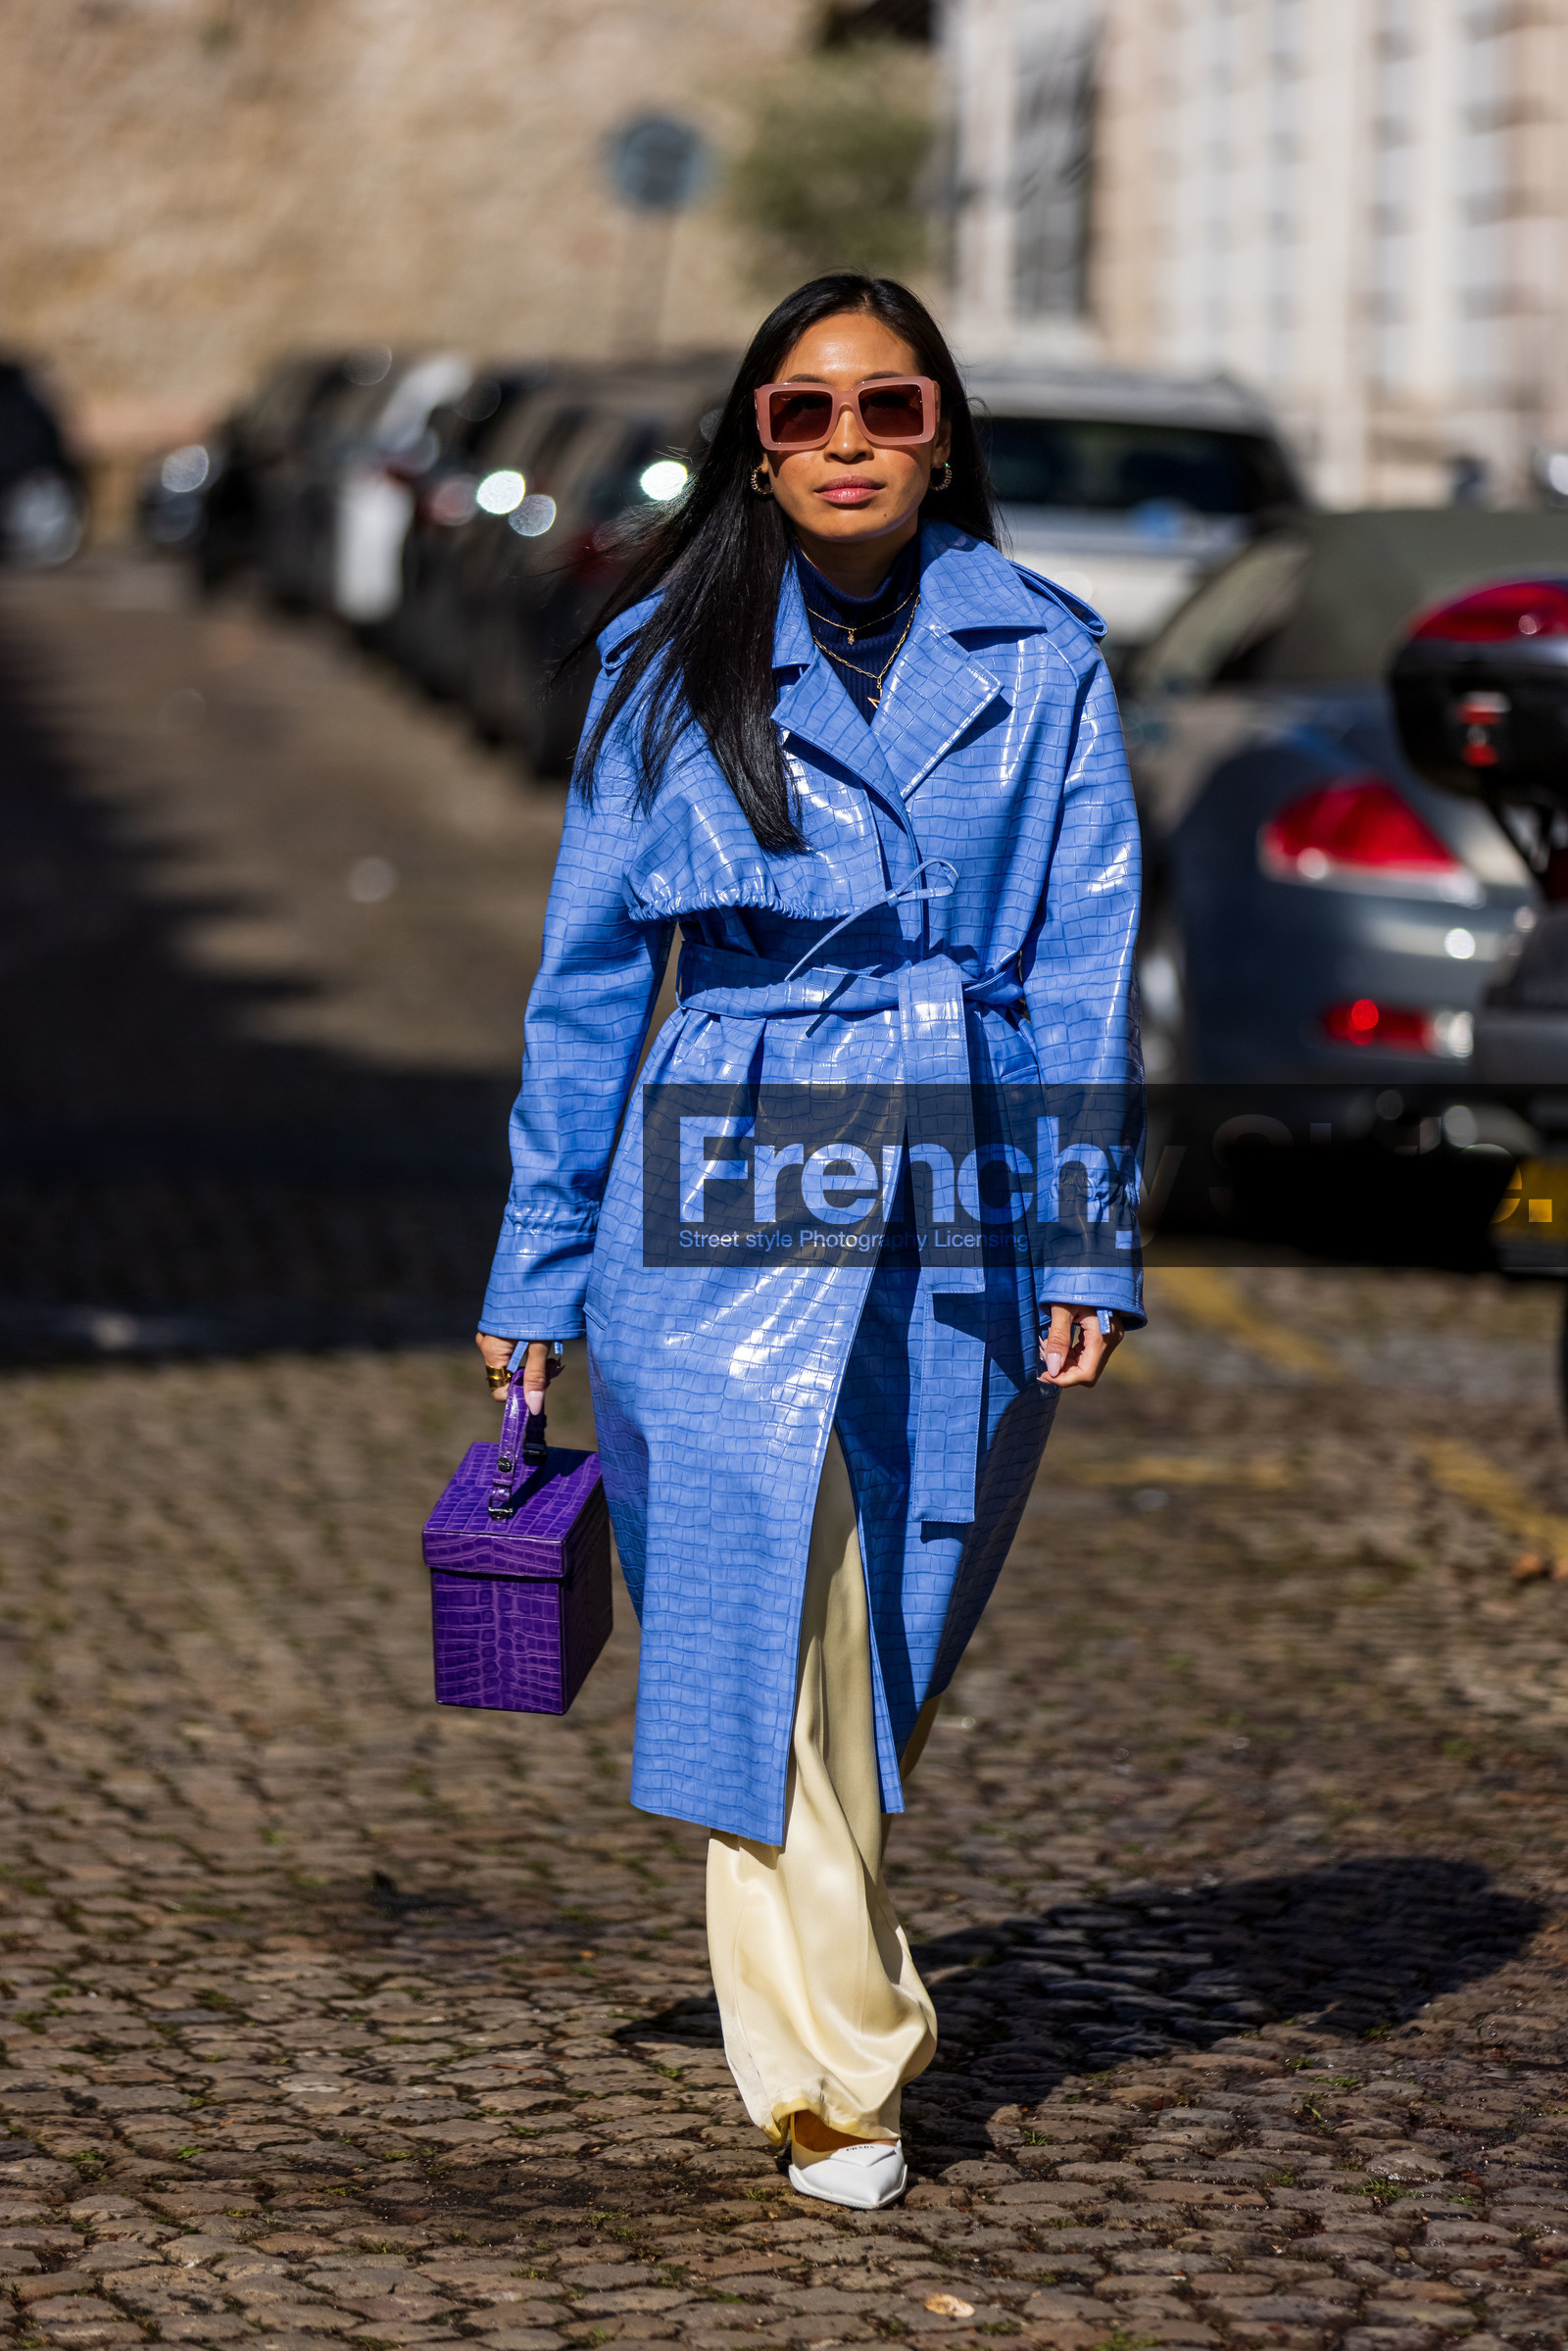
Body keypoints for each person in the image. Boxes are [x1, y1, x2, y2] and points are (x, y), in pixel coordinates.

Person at [476, 272, 1144, 2210]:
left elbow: (1084, 963)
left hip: (958, 1173)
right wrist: (537, 1265)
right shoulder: (656, 656)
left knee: (888, 1620)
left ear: (942, 431)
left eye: (884, 406)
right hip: (720, 1157)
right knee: (750, 1613)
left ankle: (820, 1972)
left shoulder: (1043, 656)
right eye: (800, 411)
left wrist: (1083, 1239)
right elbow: (588, 984)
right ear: (752, 445)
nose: (844, 441)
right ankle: (834, 2072)